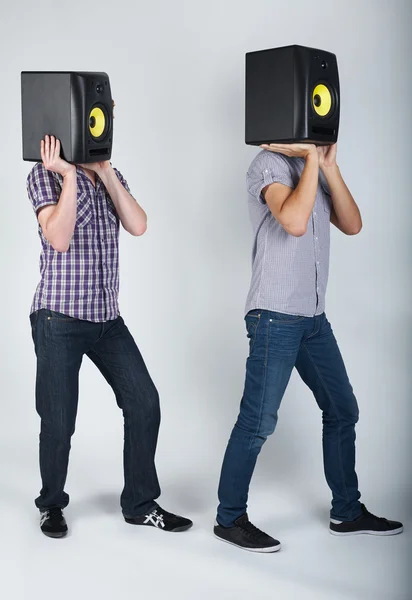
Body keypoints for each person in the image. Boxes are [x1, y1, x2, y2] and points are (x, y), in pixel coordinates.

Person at [214, 142, 403, 552]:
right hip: (275, 317)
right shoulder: (269, 164)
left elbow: (352, 224)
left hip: (313, 320)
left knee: (342, 409)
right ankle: (229, 518)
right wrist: (312, 162)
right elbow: (294, 221)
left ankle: (346, 512)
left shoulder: (314, 166)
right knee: (258, 422)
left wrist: (326, 164)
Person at [27, 133, 192, 538]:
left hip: (106, 319)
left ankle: (139, 504)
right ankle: (51, 505)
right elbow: (59, 238)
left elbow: (138, 224)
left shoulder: (109, 173)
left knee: (144, 403)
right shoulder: (42, 175)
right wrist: (68, 175)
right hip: (58, 318)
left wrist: (103, 171)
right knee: (59, 421)